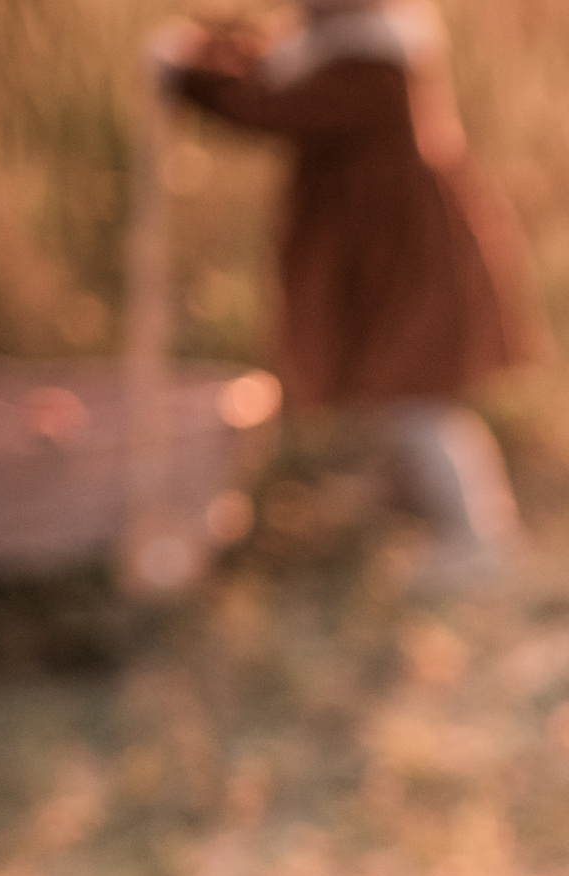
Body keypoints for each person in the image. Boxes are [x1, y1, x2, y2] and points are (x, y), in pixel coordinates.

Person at [150, 0, 537, 582]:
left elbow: (273, 105)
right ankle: (407, 508)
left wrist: (187, 72)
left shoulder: (372, 64)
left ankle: (478, 536)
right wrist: (200, 50)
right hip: (373, 254)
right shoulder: (334, 49)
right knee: (393, 391)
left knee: (416, 398)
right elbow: (269, 67)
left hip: (403, 260)